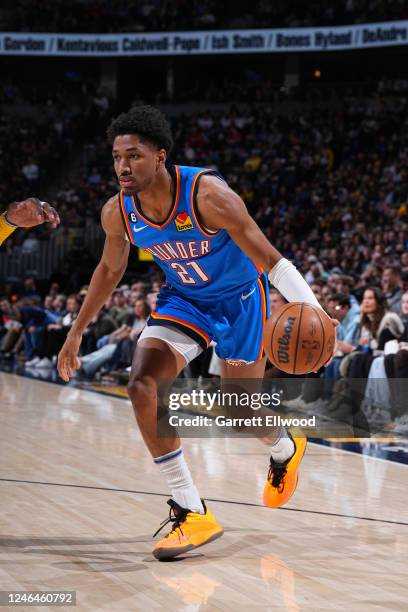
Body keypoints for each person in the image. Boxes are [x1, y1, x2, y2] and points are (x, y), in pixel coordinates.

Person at [57, 105, 336, 561]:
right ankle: (191, 508)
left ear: (160, 156)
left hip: (242, 301)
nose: (123, 167)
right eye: (116, 157)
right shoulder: (119, 212)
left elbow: (271, 260)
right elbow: (110, 267)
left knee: (240, 412)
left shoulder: (209, 195)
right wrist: (76, 331)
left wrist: (316, 310)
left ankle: (286, 447)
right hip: (184, 301)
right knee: (142, 385)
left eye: (134, 156)